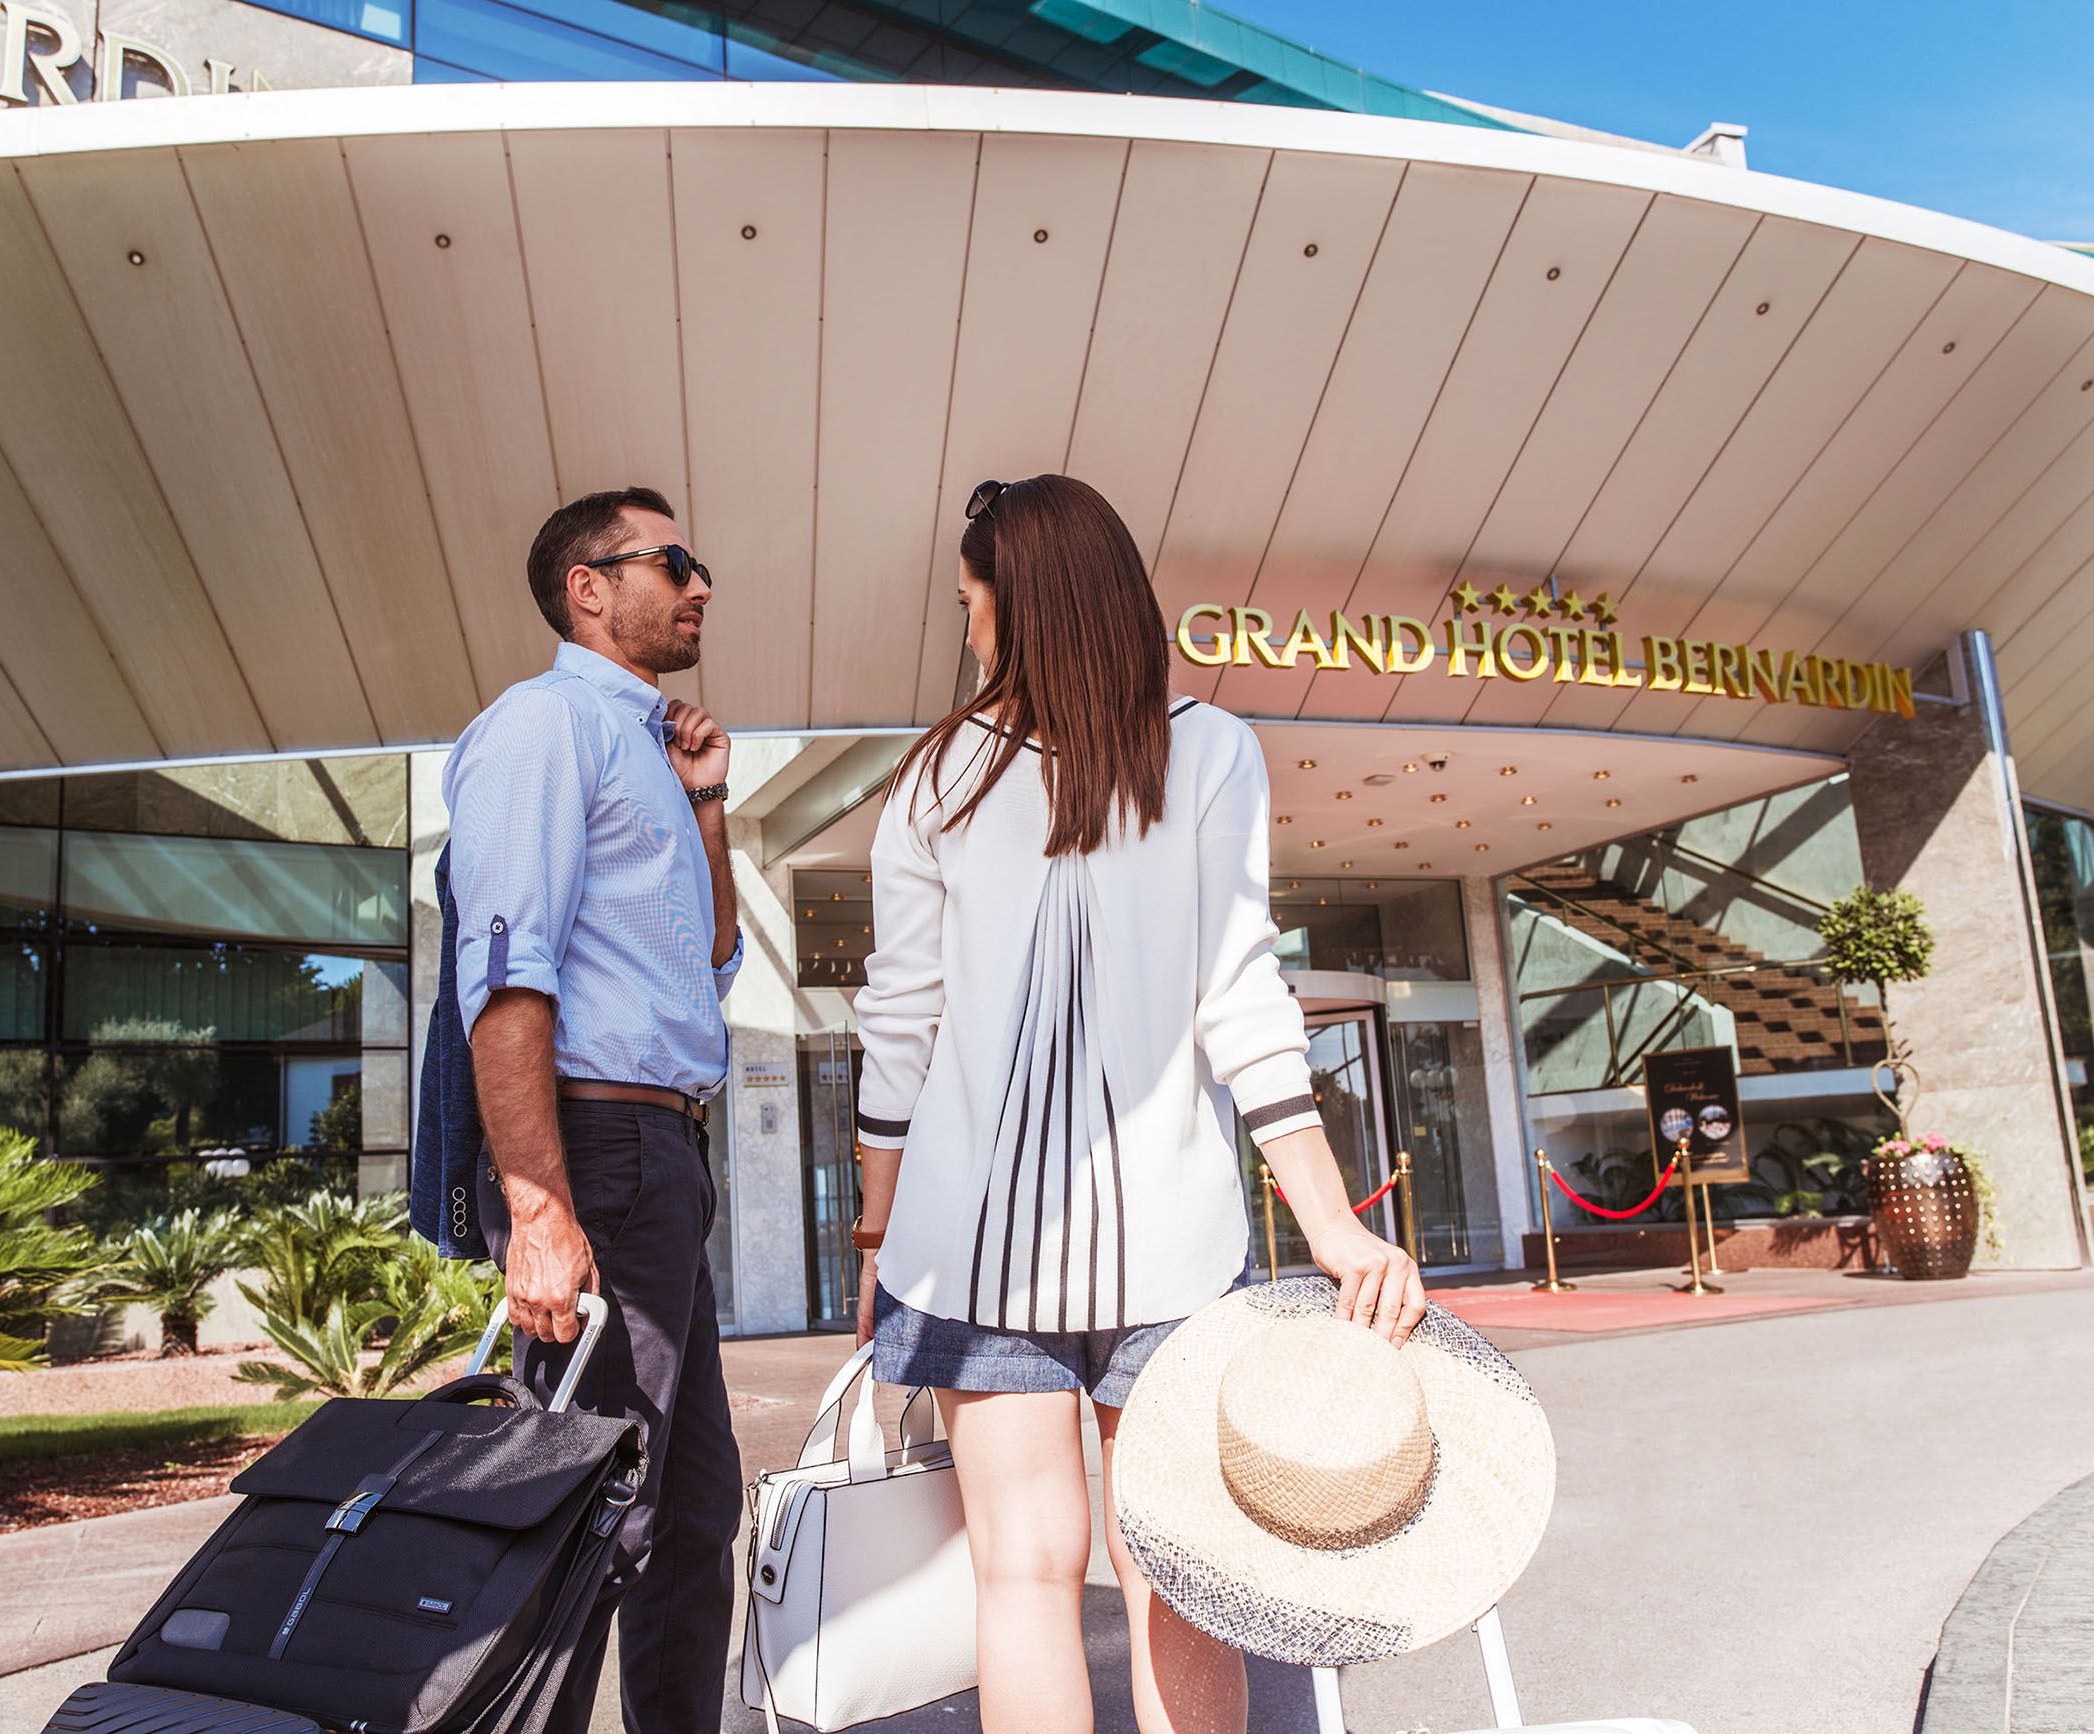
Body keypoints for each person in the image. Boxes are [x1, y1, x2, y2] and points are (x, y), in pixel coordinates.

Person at [849, 474, 1429, 1734]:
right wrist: (1333, 1226)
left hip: (969, 1249)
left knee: (1022, 1573)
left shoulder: (937, 774)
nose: (967, 632)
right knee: (1177, 1573)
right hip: (1175, 1243)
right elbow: (1244, 998)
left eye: (970, 604)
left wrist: (876, 1235)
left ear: (1021, 606)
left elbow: (898, 1022)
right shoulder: (1211, 749)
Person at [431, 485, 743, 1734]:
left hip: (661, 1156)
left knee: (690, 1510)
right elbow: (508, 982)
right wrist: (540, 1208)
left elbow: (710, 957)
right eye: (676, 561)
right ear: (590, 589)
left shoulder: (647, 751)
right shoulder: (545, 725)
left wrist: (708, 799)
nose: (701, 584)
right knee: (593, 1513)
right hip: (599, 1150)